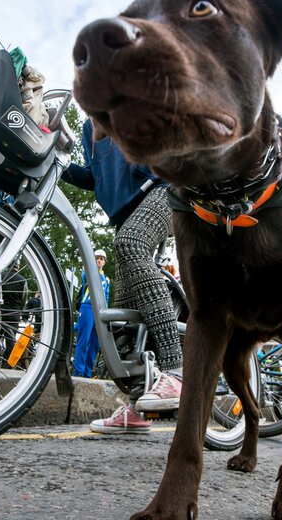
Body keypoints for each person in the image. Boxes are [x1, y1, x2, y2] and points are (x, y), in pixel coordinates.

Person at [62, 120, 183, 434]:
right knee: (123, 318)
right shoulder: (90, 130)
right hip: (125, 211)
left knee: (131, 243)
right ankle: (139, 404)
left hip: (164, 187)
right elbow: (95, 175)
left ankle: (176, 371)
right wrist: (61, 167)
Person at [72, 249, 110, 378]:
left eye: (101, 258)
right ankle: (78, 371)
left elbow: (107, 297)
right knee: (83, 340)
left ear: (104, 262)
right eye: (96, 258)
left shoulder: (107, 279)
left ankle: (88, 373)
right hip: (87, 307)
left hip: (100, 312)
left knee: (95, 343)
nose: (99, 260)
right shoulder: (87, 273)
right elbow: (87, 280)